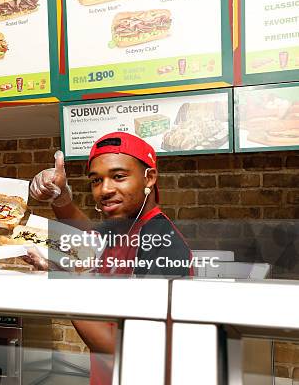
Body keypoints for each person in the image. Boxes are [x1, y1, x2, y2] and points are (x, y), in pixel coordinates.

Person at [28, 132, 193, 385]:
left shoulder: (164, 243)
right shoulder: (121, 226)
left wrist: (63, 284)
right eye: (96, 180)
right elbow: (86, 237)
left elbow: (127, 350)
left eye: (119, 176)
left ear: (149, 177)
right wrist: (60, 197)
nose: (104, 190)